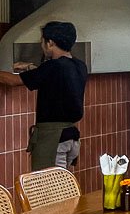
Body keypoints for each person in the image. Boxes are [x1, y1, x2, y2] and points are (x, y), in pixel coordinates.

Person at [0, 20, 87, 170]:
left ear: (50, 43)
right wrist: (29, 66)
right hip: (71, 137)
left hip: (53, 140)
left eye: (42, 42)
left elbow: (14, 81)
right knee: (66, 187)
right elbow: (49, 74)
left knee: (49, 189)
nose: (42, 46)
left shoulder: (52, 67)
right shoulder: (79, 66)